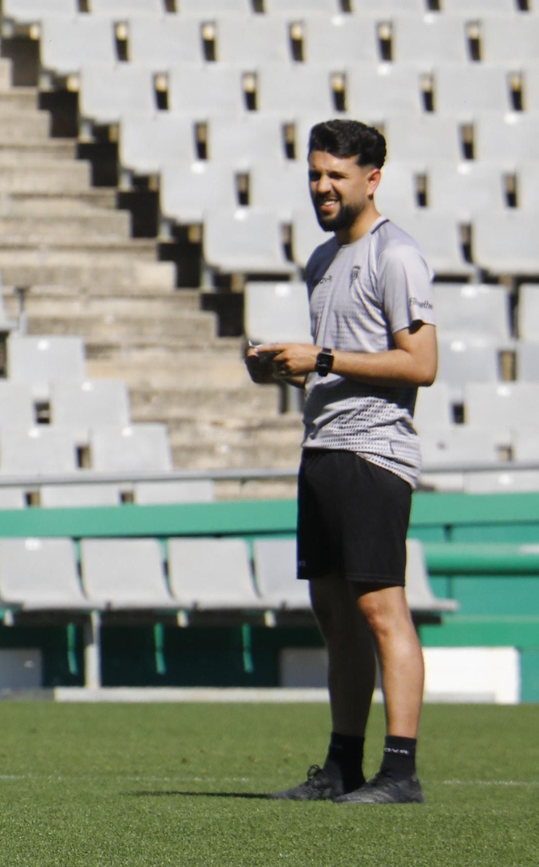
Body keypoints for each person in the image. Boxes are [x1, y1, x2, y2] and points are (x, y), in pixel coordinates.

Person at [250, 119, 436, 804]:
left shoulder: (397, 255)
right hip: (322, 447)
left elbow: (421, 363)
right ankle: (341, 765)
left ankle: (400, 770)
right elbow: (341, 364)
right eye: (314, 173)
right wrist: (283, 369)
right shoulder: (321, 260)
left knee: (381, 606)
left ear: (372, 179)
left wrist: (321, 357)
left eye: (336, 174)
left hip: (373, 452)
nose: (322, 186)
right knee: (333, 611)